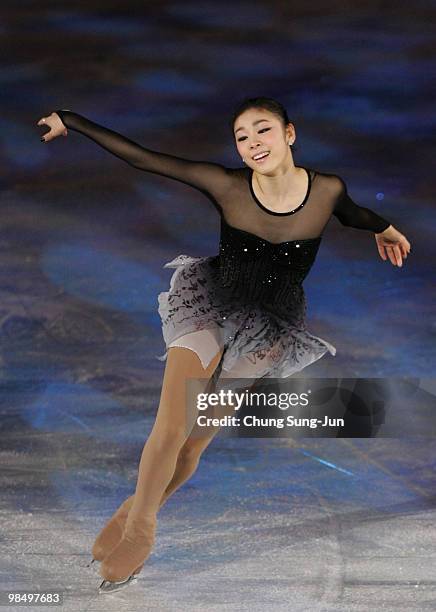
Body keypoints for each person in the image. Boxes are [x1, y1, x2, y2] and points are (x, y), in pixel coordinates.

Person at [37, 97, 411, 593]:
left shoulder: (326, 189)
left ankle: (134, 509)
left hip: (268, 327)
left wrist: (384, 228)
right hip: (208, 304)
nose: (253, 144)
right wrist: (73, 120)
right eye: (242, 137)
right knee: (172, 424)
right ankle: (142, 530)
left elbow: (354, 213)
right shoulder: (227, 185)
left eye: (263, 131)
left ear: (289, 134)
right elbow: (144, 158)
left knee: (196, 441)